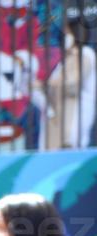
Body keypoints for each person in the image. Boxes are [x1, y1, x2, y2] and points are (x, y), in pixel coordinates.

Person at [38, 18, 96, 151]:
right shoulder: (67, 59)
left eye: (67, 32)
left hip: (75, 114)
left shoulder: (86, 54)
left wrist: (48, 84)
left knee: (71, 150)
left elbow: (72, 83)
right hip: (60, 115)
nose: (64, 36)